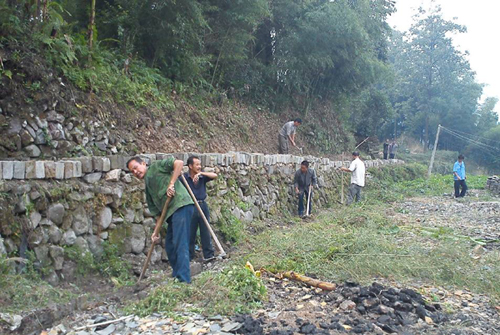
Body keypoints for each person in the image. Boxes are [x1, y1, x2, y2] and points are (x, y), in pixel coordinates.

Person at [127, 156, 194, 283]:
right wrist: (155, 232)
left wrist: (171, 184)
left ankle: (184, 279)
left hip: (181, 205)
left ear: (143, 163)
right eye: (132, 171)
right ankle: (177, 274)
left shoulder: (157, 166)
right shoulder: (148, 188)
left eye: (136, 168)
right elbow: (158, 215)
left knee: (180, 242)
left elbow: (179, 163)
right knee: (169, 245)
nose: (135, 172)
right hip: (171, 214)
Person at [183, 156, 216, 262]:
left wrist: (202, 173)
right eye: (197, 165)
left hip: (202, 205)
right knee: (190, 232)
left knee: (205, 230)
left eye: (200, 164)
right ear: (190, 166)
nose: (199, 166)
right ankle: (189, 256)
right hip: (191, 206)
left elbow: (214, 175)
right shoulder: (183, 178)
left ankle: (209, 255)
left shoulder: (202, 177)